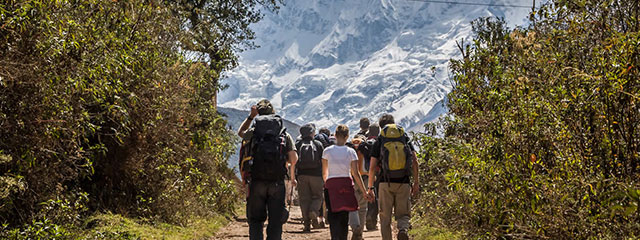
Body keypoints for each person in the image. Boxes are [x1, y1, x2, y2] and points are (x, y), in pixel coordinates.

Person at [237, 99, 298, 240]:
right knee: (275, 222)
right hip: (277, 182)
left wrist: (251, 117)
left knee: (256, 220)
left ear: (259, 113)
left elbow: (241, 133)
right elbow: (293, 159)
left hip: (256, 180)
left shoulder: (254, 132)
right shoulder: (283, 134)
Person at [366, 114, 419, 240]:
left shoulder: (380, 140)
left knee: (385, 219)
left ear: (381, 127)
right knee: (404, 214)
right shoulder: (403, 137)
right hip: (404, 181)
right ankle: (402, 229)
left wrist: (370, 188)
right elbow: (415, 161)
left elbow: (372, 167)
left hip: (384, 182)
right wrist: (416, 182)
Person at [322, 125, 372, 240]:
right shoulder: (351, 152)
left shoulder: (327, 151)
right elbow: (355, 173)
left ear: (335, 135)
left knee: (333, 215)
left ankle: (335, 237)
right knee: (344, 216)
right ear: (347, 137)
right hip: (346, 184)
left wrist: (327, 183)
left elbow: (324, 172)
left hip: (331, 185)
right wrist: (364, 191)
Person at [295, 123, 325, 232]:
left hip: (302, 175)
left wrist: (294, 176)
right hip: (316, 175)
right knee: (318, 196)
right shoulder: (318, 144)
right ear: (312, 133)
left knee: (304, 200)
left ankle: (306, 225)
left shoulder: (298, 144)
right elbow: (323, 161)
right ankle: (313, 211)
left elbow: (294, 161)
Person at [358, 123, 380, 231]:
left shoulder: (364, 144)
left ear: (369, 132)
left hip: (365, 174)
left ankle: (363, 217)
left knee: (367, 194)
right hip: (379, 174)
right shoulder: (380, 143)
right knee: (375, 197)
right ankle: (372, 218)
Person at [348, 135, 368, 240]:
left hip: (352, 178)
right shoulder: (367, 148)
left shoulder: (350, 148)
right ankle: (359, 232)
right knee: (363, 207)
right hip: (365, 178)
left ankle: (355, 228)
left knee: (352, 206)